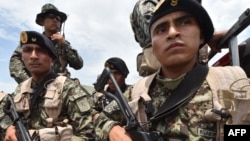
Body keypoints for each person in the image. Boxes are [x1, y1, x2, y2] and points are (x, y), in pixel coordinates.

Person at [94, 0, 243, 140]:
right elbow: (99, 118)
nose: (172, 33)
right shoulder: (137, 93)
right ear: (152, 46)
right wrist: (114, 131)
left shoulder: (231, 83)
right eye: (161, 29)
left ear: (202, 36)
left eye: (185, 22)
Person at [1, 31, 94, 140]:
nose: (33, 56)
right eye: (28, 50)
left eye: (40, 51)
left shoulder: (68, 88)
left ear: (53, 59)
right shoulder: (21, 89)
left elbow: (88, 134)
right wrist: (8, 127)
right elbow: (3, 110)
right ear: (22, 57)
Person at [9, 3, 83, 84]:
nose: (55, 20)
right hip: (38, 85)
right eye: (51, 16)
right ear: (42, 21)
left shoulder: (64, 44)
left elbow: (78, 65)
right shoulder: (33, 41)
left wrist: (64, 45)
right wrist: (30, 83)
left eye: (58, 18)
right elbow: (15, 62)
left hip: (61, 86)